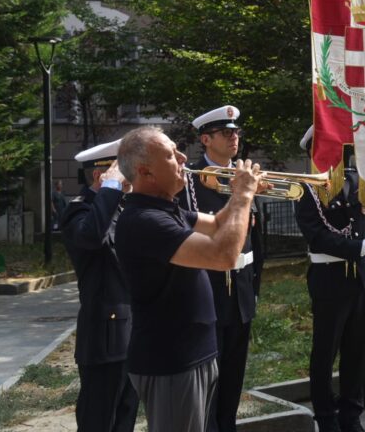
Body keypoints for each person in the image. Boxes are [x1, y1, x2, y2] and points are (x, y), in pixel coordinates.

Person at [115, 126, 261, 432]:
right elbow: (223, 255)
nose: (183, 157)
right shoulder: (145, 220)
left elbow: (220, 224)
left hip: (196, 352)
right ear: (146, 172)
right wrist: (243, 195)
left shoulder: (167, 209)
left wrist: (239, 195)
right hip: (171, 359)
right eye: (170, 155)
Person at [178, 106, 264, 432]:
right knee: (207, 381)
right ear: (205, 139)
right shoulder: (189, 181)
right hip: (207, 291)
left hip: (241, 292)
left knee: (233, 378)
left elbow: (256, 242)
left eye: (236, 132)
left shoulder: (246, 178)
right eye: (226, 133)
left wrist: (254, 290)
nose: (234, 137)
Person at [295, 126, 365, 432]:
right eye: (329, 148)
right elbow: (316, 237)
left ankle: (351, 415)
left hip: (357, 279)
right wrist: (358, 247)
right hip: (329, 279)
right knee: (326, 353)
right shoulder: (306, 188)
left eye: (339, 149)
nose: (338, 155)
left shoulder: (354, 181)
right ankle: (326, 417)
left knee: (357, 351)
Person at [60, 139, 138, 432]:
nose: (132, 176)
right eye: (125, 171)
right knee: (99, 421)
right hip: (105, 337)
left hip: (132, 332)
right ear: (100, 176)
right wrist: (111, 189)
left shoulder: (121, 207)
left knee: (125, 418)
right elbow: (92, 237)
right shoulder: (79, 211)